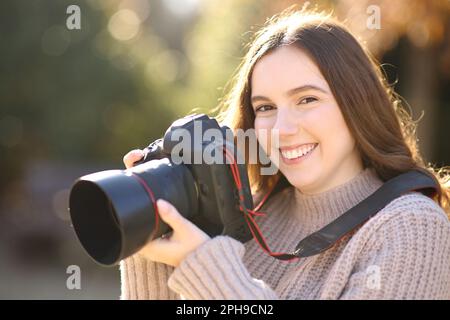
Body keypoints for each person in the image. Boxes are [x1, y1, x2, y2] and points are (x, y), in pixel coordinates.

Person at [120, 9, 450, 299]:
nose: (282, 128)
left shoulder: (410, 227)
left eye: (307, 99)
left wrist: (211, 271)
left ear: (357, 104)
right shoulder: (247, 216)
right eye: (265, 107)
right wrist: (146, 232)